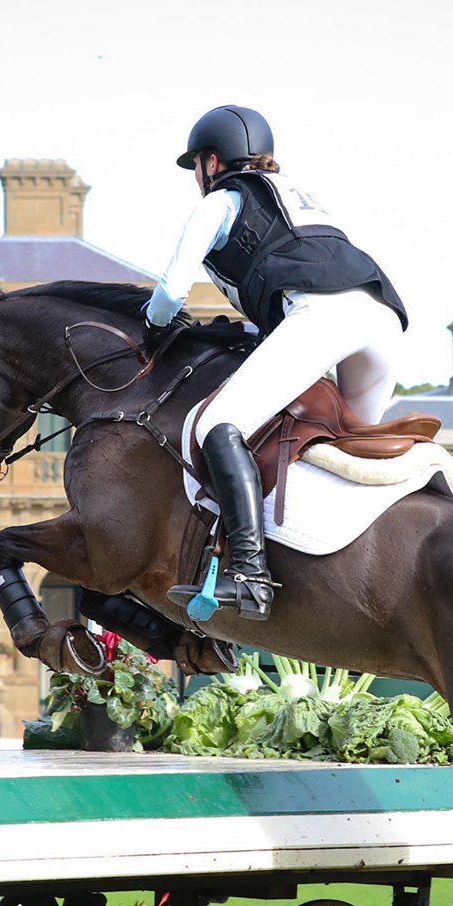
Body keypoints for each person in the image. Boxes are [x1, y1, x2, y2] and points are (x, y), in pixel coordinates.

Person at [146, 104, 409, 621]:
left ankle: (249, 573)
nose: (196, 178)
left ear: (212, 161)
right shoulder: (303, 198)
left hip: (322, 315)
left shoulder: (221, 200)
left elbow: (171, 290)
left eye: (196, 166)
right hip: (383, 320)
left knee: (220, 424)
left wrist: (154, 327)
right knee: (346, 445)